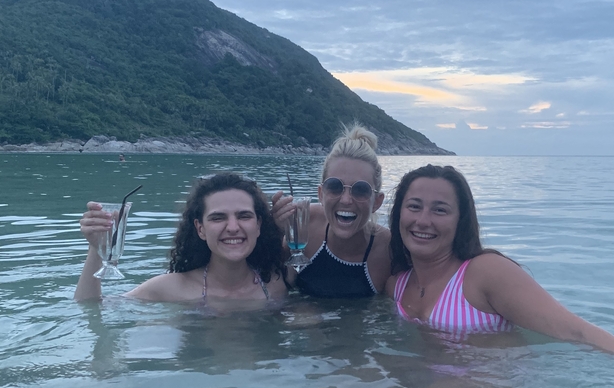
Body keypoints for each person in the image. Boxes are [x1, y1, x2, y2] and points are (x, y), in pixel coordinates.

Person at [386, 164, 614, 374]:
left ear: (460, 221)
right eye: (414, 206)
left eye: (440, 210)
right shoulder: (396, 287)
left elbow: (574, 330)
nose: (423, 220)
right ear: (398, 212)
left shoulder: (484, 273)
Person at [75, 173, 291, 305]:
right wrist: (96, 249)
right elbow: (91, 308)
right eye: (218, 218)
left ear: (259, 225)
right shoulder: (171, 288)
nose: (233, 227)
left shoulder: (275, 284)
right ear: (200, 229)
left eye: (244, 216)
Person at [271, 124, 392, 297]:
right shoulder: (305, 223)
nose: (346, 200)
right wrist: (273, 231)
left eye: (361, 190)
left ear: (377, 202)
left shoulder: (388, 250)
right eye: (335, 186)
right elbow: (270, 287)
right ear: (321, 194)